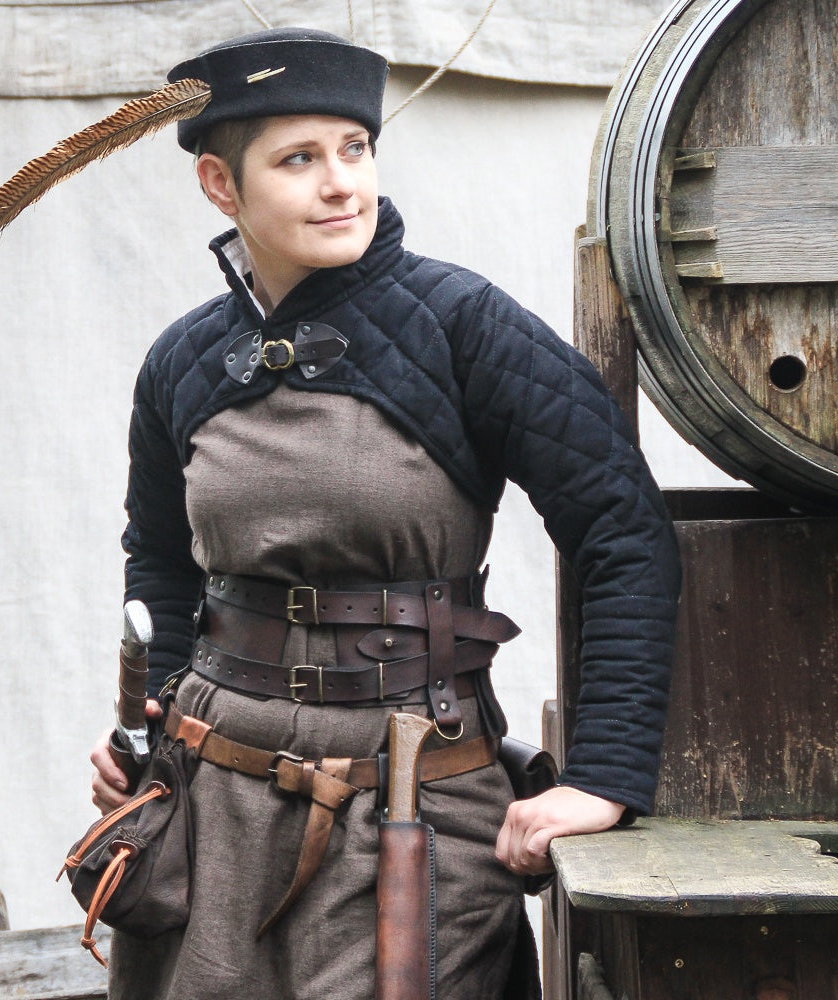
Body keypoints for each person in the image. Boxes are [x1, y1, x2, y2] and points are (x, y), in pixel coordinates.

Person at [86, 26, 682, 1000]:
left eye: (355, 149)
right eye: (299, 159)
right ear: (219, 185)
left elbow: (623, 530)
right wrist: (145, 738)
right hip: (211, 803)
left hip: (410, 797)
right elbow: (158, 562)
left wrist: (604, 776)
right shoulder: (181, 363)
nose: (341, 185)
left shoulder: (462, 326)